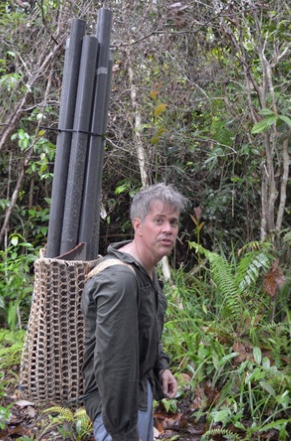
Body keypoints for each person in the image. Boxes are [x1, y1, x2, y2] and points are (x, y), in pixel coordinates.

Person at [81, 182, 189, 441]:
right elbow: (114, 367)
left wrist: (161, 367)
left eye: (173, 222)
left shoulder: (146, 271)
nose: (168, 229)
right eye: (159, 220)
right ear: (138, 225)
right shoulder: (121, 281)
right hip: (117, 412)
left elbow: (146, 330)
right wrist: (123, 431)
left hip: (139, 393)